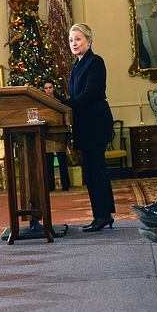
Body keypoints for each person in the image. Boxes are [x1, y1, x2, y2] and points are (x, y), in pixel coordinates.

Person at [61, 23, 115, 232]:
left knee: (96, 169)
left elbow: (89, 93)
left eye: (78, 39)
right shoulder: (77, 64)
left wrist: (62, 105)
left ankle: (103, 215)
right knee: (90, 172)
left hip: (96, 121)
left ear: (89, 41)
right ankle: (100, 215)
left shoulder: (95, 61)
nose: (74, 43)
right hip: (84, 123)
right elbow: (76, 95)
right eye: (71, 40)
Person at [43, 82, 71, 192]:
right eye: (46, 88)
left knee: (62, 160)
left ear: (54, 89)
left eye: (50, 88)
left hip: (59, 131)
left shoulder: (60, 99)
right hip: (47, 133)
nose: (48, 90)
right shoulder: (42, 100)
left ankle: (65, 185)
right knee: (48, 161)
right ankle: (50, 186)